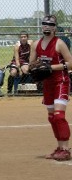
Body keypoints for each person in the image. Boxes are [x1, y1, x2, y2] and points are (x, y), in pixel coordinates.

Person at [29, 15, 72, 162]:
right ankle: (59, 148)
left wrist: (51, 67)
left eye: (50, 24)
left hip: (60, 81)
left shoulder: (59, 43)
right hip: (47, 83)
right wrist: (29, 68)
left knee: (59, 116)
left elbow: (70, 63)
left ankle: (65, 149)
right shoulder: (36, 44)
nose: (47, 26)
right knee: (52, 117)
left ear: (55, 28)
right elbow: (31, 64)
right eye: (44, 24)